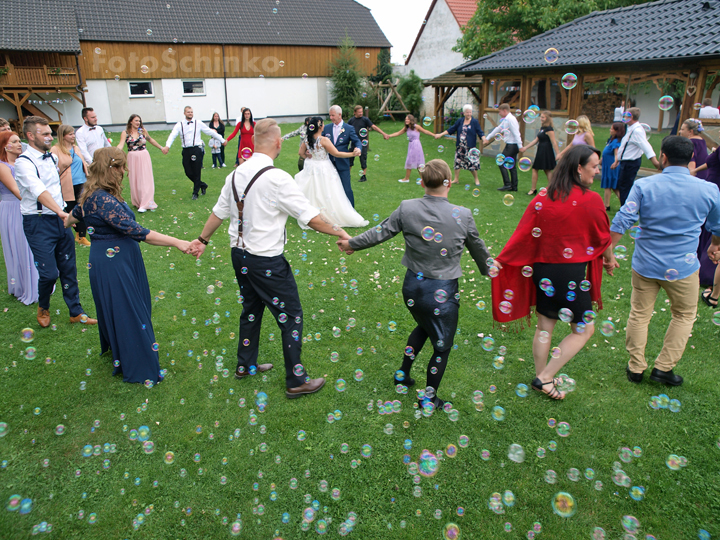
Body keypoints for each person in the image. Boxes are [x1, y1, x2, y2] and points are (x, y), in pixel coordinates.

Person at [187, 118, 353, 399]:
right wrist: (342, 233)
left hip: (238, 255)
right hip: (266, 261)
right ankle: (296, 380)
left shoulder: (236, 173)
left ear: (254, 142)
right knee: (291, 316)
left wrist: (202, 239)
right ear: (278, 143)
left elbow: (219, 212)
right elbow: (311, 217)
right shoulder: (277, 178)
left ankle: (245, 365)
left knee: (251, 310)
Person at [337, 159, 490, 409]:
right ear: (449, 183)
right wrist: (490, 270)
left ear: (422, 182)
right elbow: (478, 249)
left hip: (413, 287)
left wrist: (352, 243)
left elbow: (380, 231)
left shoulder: (407, 208)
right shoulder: (462, 214)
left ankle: (403, 374)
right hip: (443, 291)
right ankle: (429, 398)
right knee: (442, 345)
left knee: (424, 326)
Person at [491, 145, 617, 400]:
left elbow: (524, 234)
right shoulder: (591, 199)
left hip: (542, 271)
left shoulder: (543, 198)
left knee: (544, 326)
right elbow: (603, 239)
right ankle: (546, 377)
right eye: (594, 166)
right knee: (584, 329)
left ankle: (542, 377)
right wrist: (611, 261)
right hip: (569, 275)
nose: (598, 171)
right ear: (579, 168)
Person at [64, 147, 191, 385]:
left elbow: (74, 215)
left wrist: (67, 221)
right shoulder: (102, 200)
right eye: (120, 167)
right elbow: (140, 232)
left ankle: (121, 347)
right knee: (128, 309)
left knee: (120, 306)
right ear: (109, 168)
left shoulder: (91, 193)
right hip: (116, 261)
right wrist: (178, 242)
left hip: (107, 257)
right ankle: (138, 363)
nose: (124, 172)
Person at [611, 136, 720, 386]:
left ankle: (636, 367)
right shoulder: (708, 189)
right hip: (683, 267)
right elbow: (718, 225)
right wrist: (715, 244)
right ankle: (663, 368)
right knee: (683, 315)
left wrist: (609, 250)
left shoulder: (644, 185)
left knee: (639, 314)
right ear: (692, 159)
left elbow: (623, 219)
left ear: (663, 157)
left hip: (645, 264)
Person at [14, 116, 96, 328]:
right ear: (31, 136)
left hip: (60, 219)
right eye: (45, 134)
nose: (51, 137)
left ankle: (76, 311)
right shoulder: (24, 163)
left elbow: (56, 185)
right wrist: (61, 212)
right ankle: (44, 306)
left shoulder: (50, 157)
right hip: (38, 222)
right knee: (49, 273)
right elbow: (39, 191)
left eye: (51, 133)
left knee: (69, 268)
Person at [295, 117, 369, 229]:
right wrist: (352, 154)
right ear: (320, 126)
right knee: (329, 191)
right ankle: (330, 214)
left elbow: (301, 153)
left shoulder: (307, 139)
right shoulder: (324, 140)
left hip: (312, 167)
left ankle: (313, 215)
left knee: (315, 191)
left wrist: (309, 157)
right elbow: (337, 153)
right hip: (324, 168)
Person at [0, 131, 38, 305]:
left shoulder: (22, 162)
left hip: (25, 205)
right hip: (13, 208)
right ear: (4, 146)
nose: (19, 144)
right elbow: (16, 191)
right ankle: (24, 285)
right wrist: (38, 205)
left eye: (18, 141)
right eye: (14, 141)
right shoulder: (2, 166)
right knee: (20, 244)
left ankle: (37, 280)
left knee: (31, 244)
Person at [163, 106, 226, 200]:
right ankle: (202, 185)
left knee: (197, 171)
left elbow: (210, 132)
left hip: (196, 149)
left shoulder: (198, 123)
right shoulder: (179, 124)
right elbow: (172, 135)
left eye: (191, 112)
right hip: (186, 150)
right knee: (188, 171)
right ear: (184, 113)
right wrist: (167, 146)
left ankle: (195, 193)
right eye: (188, 112)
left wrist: (222, 140)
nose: (190, 113)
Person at [612, 107, 661, 205]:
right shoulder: (631, 129)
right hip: (625, 162)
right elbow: (625, 146)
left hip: (630, 163)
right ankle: (625, 208)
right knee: (622, 186)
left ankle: (627, 210)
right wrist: (617, 160)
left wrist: (655, 161)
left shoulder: (637, 131)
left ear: (632, 117)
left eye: (626, 115)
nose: (624, 117)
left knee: (625, 188)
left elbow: (646, 146)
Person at [51, 124, 90, 246]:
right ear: (63, 136)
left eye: (73, 133)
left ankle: (82, 235)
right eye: (70, 134)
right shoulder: (55, 150)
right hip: (67, 184)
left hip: (81, 182)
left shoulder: (75, 148)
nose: (73, 136)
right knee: (72, 209)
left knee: (83, 207)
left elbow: (82, 163)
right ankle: (78, 232)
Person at [117, 114, 162, 213]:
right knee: (135, 179)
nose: (138, 123)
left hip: (144, 156)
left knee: (146, 179)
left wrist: (161, 148)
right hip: (132, 157)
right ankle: (138, 201)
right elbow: (121, 145)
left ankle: (146, 203)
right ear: (131, 122)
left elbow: (151, 140)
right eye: (136, 120)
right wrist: (114, 153)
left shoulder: (143, 131)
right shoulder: (125, 133)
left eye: (139, 121)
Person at [693, 148, 720, 305]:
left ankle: (713, 293)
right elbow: (709, 163)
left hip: (716, 191)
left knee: (715, 234)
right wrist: (694, 171)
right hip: (713, 189)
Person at [322, 105, 362, 207]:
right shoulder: (326, 128)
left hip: (343, 163)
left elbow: (357, 141)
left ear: (339, 115)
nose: (330, 118)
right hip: (328, 163)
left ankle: (351, 210)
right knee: (330, 188)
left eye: (333, 115)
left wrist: (358, 148)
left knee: (346, 188)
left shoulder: (349, 128)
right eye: (330, 115)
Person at [435, 105, 484, 186]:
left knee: (472, 164)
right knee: (457, 163)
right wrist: (441, 134)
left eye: (470, 112)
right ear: (464, 113)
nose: (469, 114)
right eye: (467, 112)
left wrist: (484, 138)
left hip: (470, 147)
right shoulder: (460, 121)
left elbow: (480, 131)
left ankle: (476, 179)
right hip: (460, 147)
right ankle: (456, 179)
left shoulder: (474, 122)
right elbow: (451, 129)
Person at [482, 103, 522, 191]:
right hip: (511, 145)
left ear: (504, 110)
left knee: (501, 162)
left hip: (512, 145)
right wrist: (488, 138)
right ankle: (514, 187)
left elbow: (516, 133)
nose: (499, 113)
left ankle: (507, 184)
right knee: (512, 166)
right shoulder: (507, 119)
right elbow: (498, 128)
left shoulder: (510, 119)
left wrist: (520, 146)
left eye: (500, 111)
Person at [519, 111, 560, 195]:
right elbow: (536, 140)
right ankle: (536, 189)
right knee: (540, 169)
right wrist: (525, 147)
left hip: (546, 151)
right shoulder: (542, 128)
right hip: (540, 150)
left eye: (543, 117)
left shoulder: (549, 129)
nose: (541, 118)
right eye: (541, 117)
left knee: (546, 169)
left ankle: (550, 189)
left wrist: (558, 154)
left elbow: (554, 142)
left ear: (547, 119)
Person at [347, 105, 389, 182]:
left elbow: (374, 127)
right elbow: (346, 130)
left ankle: (363, 176)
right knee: (350, 159)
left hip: (363, 143)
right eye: (359, 112)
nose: (361, 113)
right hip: (353, 142)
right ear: (354, 112)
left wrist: (383, 133)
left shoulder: (365, 120)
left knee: (363, 158)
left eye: (362, 112)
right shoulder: (351, 121)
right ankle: (347, 175)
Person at [388, 115, 435, 184]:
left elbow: (425, 131)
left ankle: (409, 179)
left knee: (415, 162)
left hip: (416, 145)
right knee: (414, 162)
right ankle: (421, 179)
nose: (406, 121)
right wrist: (389, 136)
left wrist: (434, 135)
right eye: (405, 119)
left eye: (408, 119)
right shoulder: (406, 128)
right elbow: (398, 133)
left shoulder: (416, 126)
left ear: (411, 120)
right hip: (411, 145)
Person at [600, 122, 626, 211]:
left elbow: (616, 154)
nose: (610, 130)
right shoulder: (611, 140)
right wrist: (600, 161)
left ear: (616, 131)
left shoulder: (616, 141)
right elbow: (606, 153)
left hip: (611, 166)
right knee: (614, 187)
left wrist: (615, 162)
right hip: (607, 165)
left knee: (609, 185)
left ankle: (606, 205)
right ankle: (624, 204)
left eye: (612, 129)